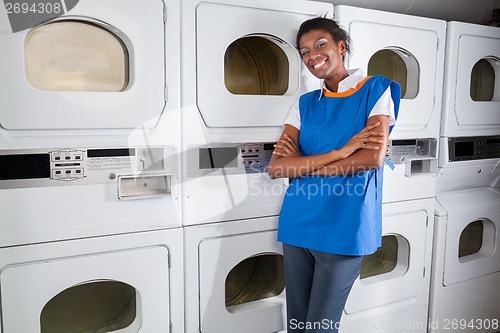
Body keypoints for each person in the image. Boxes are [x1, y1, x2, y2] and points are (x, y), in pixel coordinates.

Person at [268, 17, 400, 333]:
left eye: (321, 44)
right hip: (299, 220)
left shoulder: (375, 89)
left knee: (321, 327)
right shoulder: (304, 104)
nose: (313, 55)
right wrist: (342, 152)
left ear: (341, 46)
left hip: (346, 222)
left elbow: (372, 158)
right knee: (297, 323)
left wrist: (305, 165)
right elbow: (277, 168)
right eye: (304, 52)